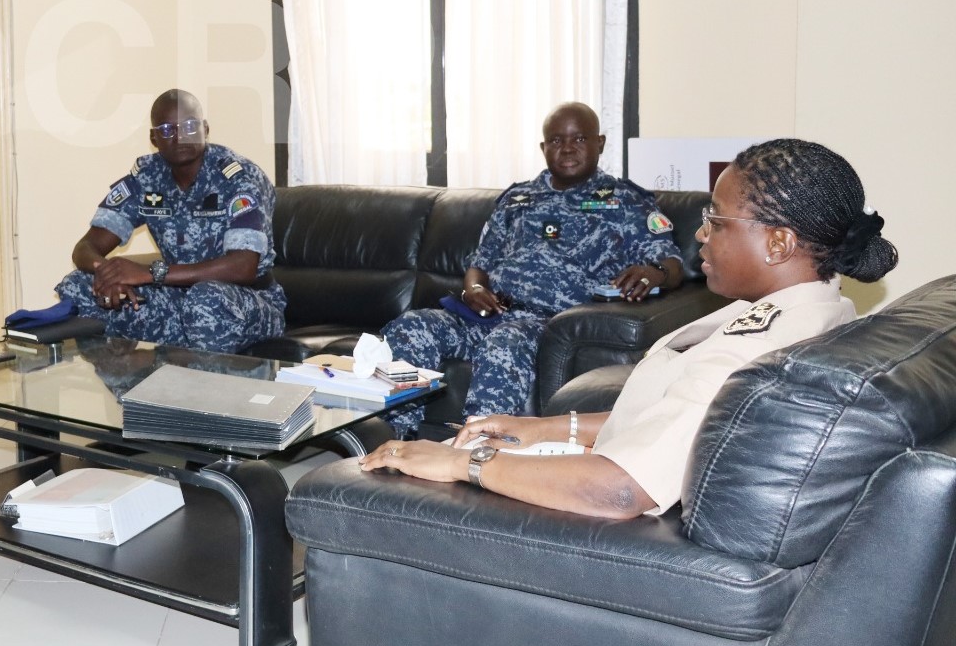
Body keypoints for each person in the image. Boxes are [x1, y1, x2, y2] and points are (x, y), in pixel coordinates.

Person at [361, 137, 898, 518]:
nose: (702, 236)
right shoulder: (803, 309)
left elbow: (620, 490)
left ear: (779, 243)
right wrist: (542, 429)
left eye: (716, 219)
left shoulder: (753, 351)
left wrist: (465, 464)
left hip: (604, 519)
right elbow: (669, 412)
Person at [380, 102, 684, 420]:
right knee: (410, 327)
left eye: (579, 139)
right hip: (486, 315)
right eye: (556, 141)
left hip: (548, 325)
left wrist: (656, 272)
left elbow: (672, 262)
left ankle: (480, 448)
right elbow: (480, 262)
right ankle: (398, 435)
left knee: (504, 343)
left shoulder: (624, 201)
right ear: (543, 147)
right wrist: (473, 290)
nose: (566, 149)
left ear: (600, 143)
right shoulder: (517, 199)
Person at [54, 89, 287, 354]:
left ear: (205, 129)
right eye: (167, 130)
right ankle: (124, 383)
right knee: (78, 284)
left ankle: (210, 392)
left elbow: (243, 266)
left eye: (189, 126)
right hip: (175, 299)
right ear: (154, 138)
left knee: (205, 298)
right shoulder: (147, 177)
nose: (179, 137)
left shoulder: (237, 177)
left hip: (246, 303)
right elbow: (85, 247)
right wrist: (107, 272)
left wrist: (151, 273)